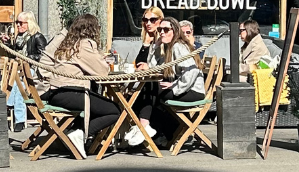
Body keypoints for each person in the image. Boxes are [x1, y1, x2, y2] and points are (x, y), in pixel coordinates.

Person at [41, 13, 121, 159]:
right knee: (114, 110)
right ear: (92, 29)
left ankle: (73, 133)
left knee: (96, 104)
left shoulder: (68, 42)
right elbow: (102, 71)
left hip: (57, 92)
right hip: (72, 93)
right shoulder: (84, 44)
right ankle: (80, 133)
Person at [127, 15, 205, 148]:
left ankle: (144, 126)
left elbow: (191, 71)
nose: (162, 32)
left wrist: (175, 86)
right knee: (144, 91)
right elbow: (154, 68)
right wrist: (155, 46)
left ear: (175, 31)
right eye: (160, 30)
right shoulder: (170, 47)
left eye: (166, 29)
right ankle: (149, 128)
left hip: (192, 91)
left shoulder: (178, 47)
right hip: (183, 88)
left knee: (149, 89)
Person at [238, 18, 270, 83]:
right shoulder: (248, 44)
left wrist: (233, 69)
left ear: (249, 30)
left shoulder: (257, 46)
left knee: (231, 78)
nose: (239, 33)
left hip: (257, 79)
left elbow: (251, 67)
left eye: (241, 30)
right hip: (249, 76)